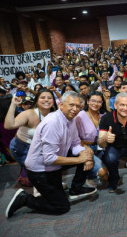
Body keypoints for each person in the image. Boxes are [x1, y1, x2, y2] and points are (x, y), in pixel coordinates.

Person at [5, 91, 97, 219]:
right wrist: (80, 159)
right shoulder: (53, 122)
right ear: (61, 105)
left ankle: (75, 190)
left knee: (88, 154)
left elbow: (76, 143)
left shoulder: (71, 120)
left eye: (78, 106)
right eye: (71, 105)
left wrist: (85, 156)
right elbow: (49, 159)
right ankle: (24, 199)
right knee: (62, 207)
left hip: (54, 167)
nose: (75, 109)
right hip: (39, 170)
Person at [5, 90, 57, 187]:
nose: (46, 100)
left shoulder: (55, 115)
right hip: (22, 148)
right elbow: (9, 125)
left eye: (49, 98)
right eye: (42, 97)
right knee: (39, 173)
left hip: (39, 148)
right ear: (37, 101)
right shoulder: (29, 113)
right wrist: (13, 105)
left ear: (53, 101)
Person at [98, 93, 127, 192]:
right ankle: (114, 180)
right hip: (113, 146)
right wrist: (105, 139)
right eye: (122, 105)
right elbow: (100, 143)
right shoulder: (106, 118)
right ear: (115, 105)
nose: (125, 108)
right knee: (110, 159)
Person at [76, 91, 108, 187]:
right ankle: (88, 177)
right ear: (88, 101)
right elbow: (75, 138)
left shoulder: (103, 115)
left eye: (99, 102)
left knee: (107, 176)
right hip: (85, 147)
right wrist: (85, 146)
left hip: (101, 147)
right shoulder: (80, 116)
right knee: (103, 172)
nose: (96, 104)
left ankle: (90, 174)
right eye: (93, 101)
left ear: (102, 103)